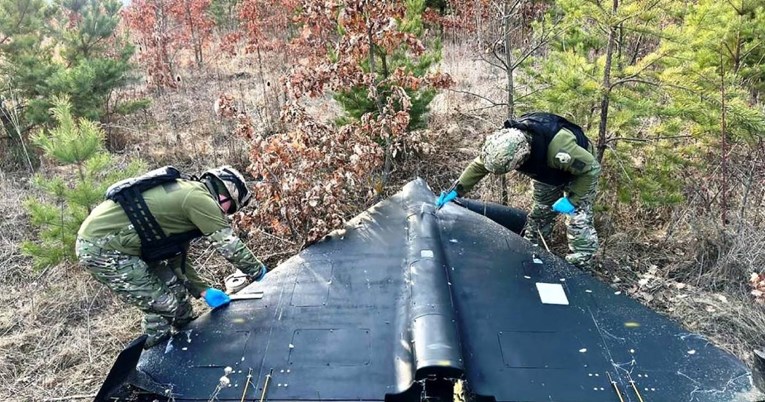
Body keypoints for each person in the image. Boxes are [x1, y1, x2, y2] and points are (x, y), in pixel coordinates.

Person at [76, 165, 268, 348]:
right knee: (163, 305)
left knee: (178, 295)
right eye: (231, 208)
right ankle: (152, 357)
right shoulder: (198, 199)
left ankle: (185, 341)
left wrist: (203, 290)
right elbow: (228, 244)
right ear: (225, 194)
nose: (227, 214)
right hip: (102, 247)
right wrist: (258, 271)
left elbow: (178, 257)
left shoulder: (189, 197)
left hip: (129, 245)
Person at [436, 112, 601, 270]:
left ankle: (580, 267)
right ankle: (533, 252)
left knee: (578, 220)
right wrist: (457, 190)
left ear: (522, 157)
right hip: (548, 173)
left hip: (580, 175)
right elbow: (480, 165)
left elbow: (591, 169)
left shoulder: (560, 150)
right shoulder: (502, 145)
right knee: (540, 213)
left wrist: (572, 199)